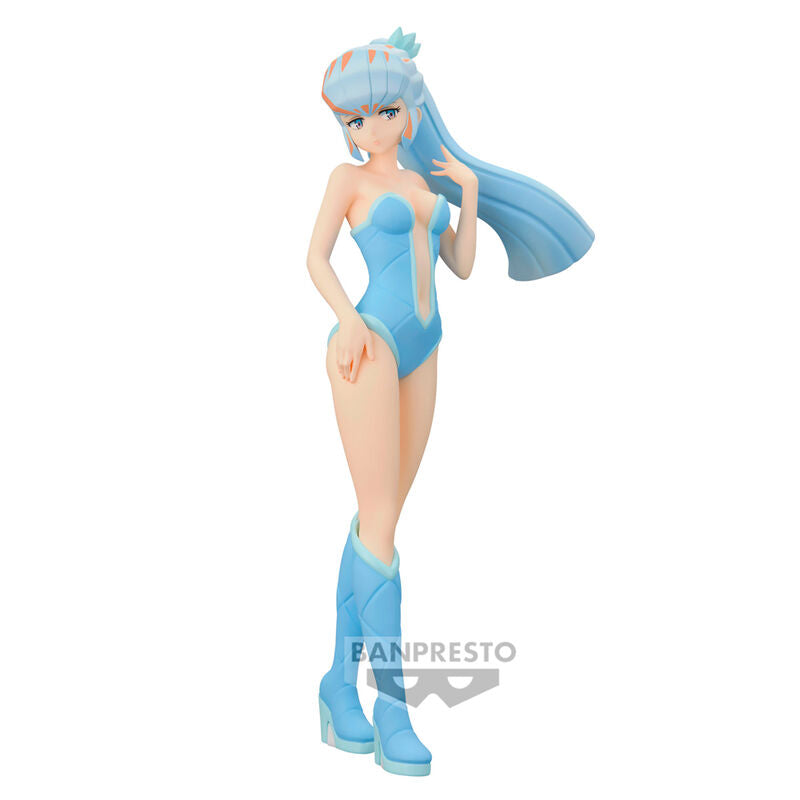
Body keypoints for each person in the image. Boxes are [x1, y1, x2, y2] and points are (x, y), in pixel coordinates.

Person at [306, 26, 594, 777]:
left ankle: (337, 685)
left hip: (428, 347)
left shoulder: (425, 187)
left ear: (409, 112)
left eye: (381, 113)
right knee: (381, 523)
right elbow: (314, 257)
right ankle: (391, 709)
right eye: (355, 118)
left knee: (380, 521)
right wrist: (346, 320)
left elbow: (461, 267)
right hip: (369, 345)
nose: (369, 128)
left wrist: (465, 193)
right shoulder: (346, 181)